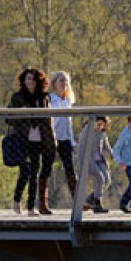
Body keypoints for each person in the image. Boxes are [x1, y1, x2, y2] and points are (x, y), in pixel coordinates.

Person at [7, 68, 56, 215]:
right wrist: (21, 112)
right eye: (28, 79)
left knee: (35, 171)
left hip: (38, 139)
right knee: (25, 171)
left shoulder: (43, 98)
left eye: (33, 79)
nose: (30, 82)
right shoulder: (17, 97)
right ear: (23, 80)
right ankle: (17, 201)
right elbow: (8, 119)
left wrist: (50, 141)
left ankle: (30, 208)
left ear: (38, 82)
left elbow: (48, 120)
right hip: (23, 138)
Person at [48, 71, 78, 204]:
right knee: (46, 169)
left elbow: (68, 124)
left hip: (65, 139)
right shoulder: (49, 99)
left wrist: (72, 141)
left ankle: (77, 200)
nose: (64, 84)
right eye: (61, 81)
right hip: (52, 139)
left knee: (70, 170)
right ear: (54, 83)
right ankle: (43, 202)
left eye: (66, 81)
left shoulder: (67, 101)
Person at [83, 116, 114, 213]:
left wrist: (112, 154)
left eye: (102, 125)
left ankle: (91, 198)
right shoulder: (87, 133)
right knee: (100, 179)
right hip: (90, 160)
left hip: (100, 160)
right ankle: (97, 204)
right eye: (98, 124)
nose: (100, 127)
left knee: (107, 180)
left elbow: (106, 145)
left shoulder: (102, 134)